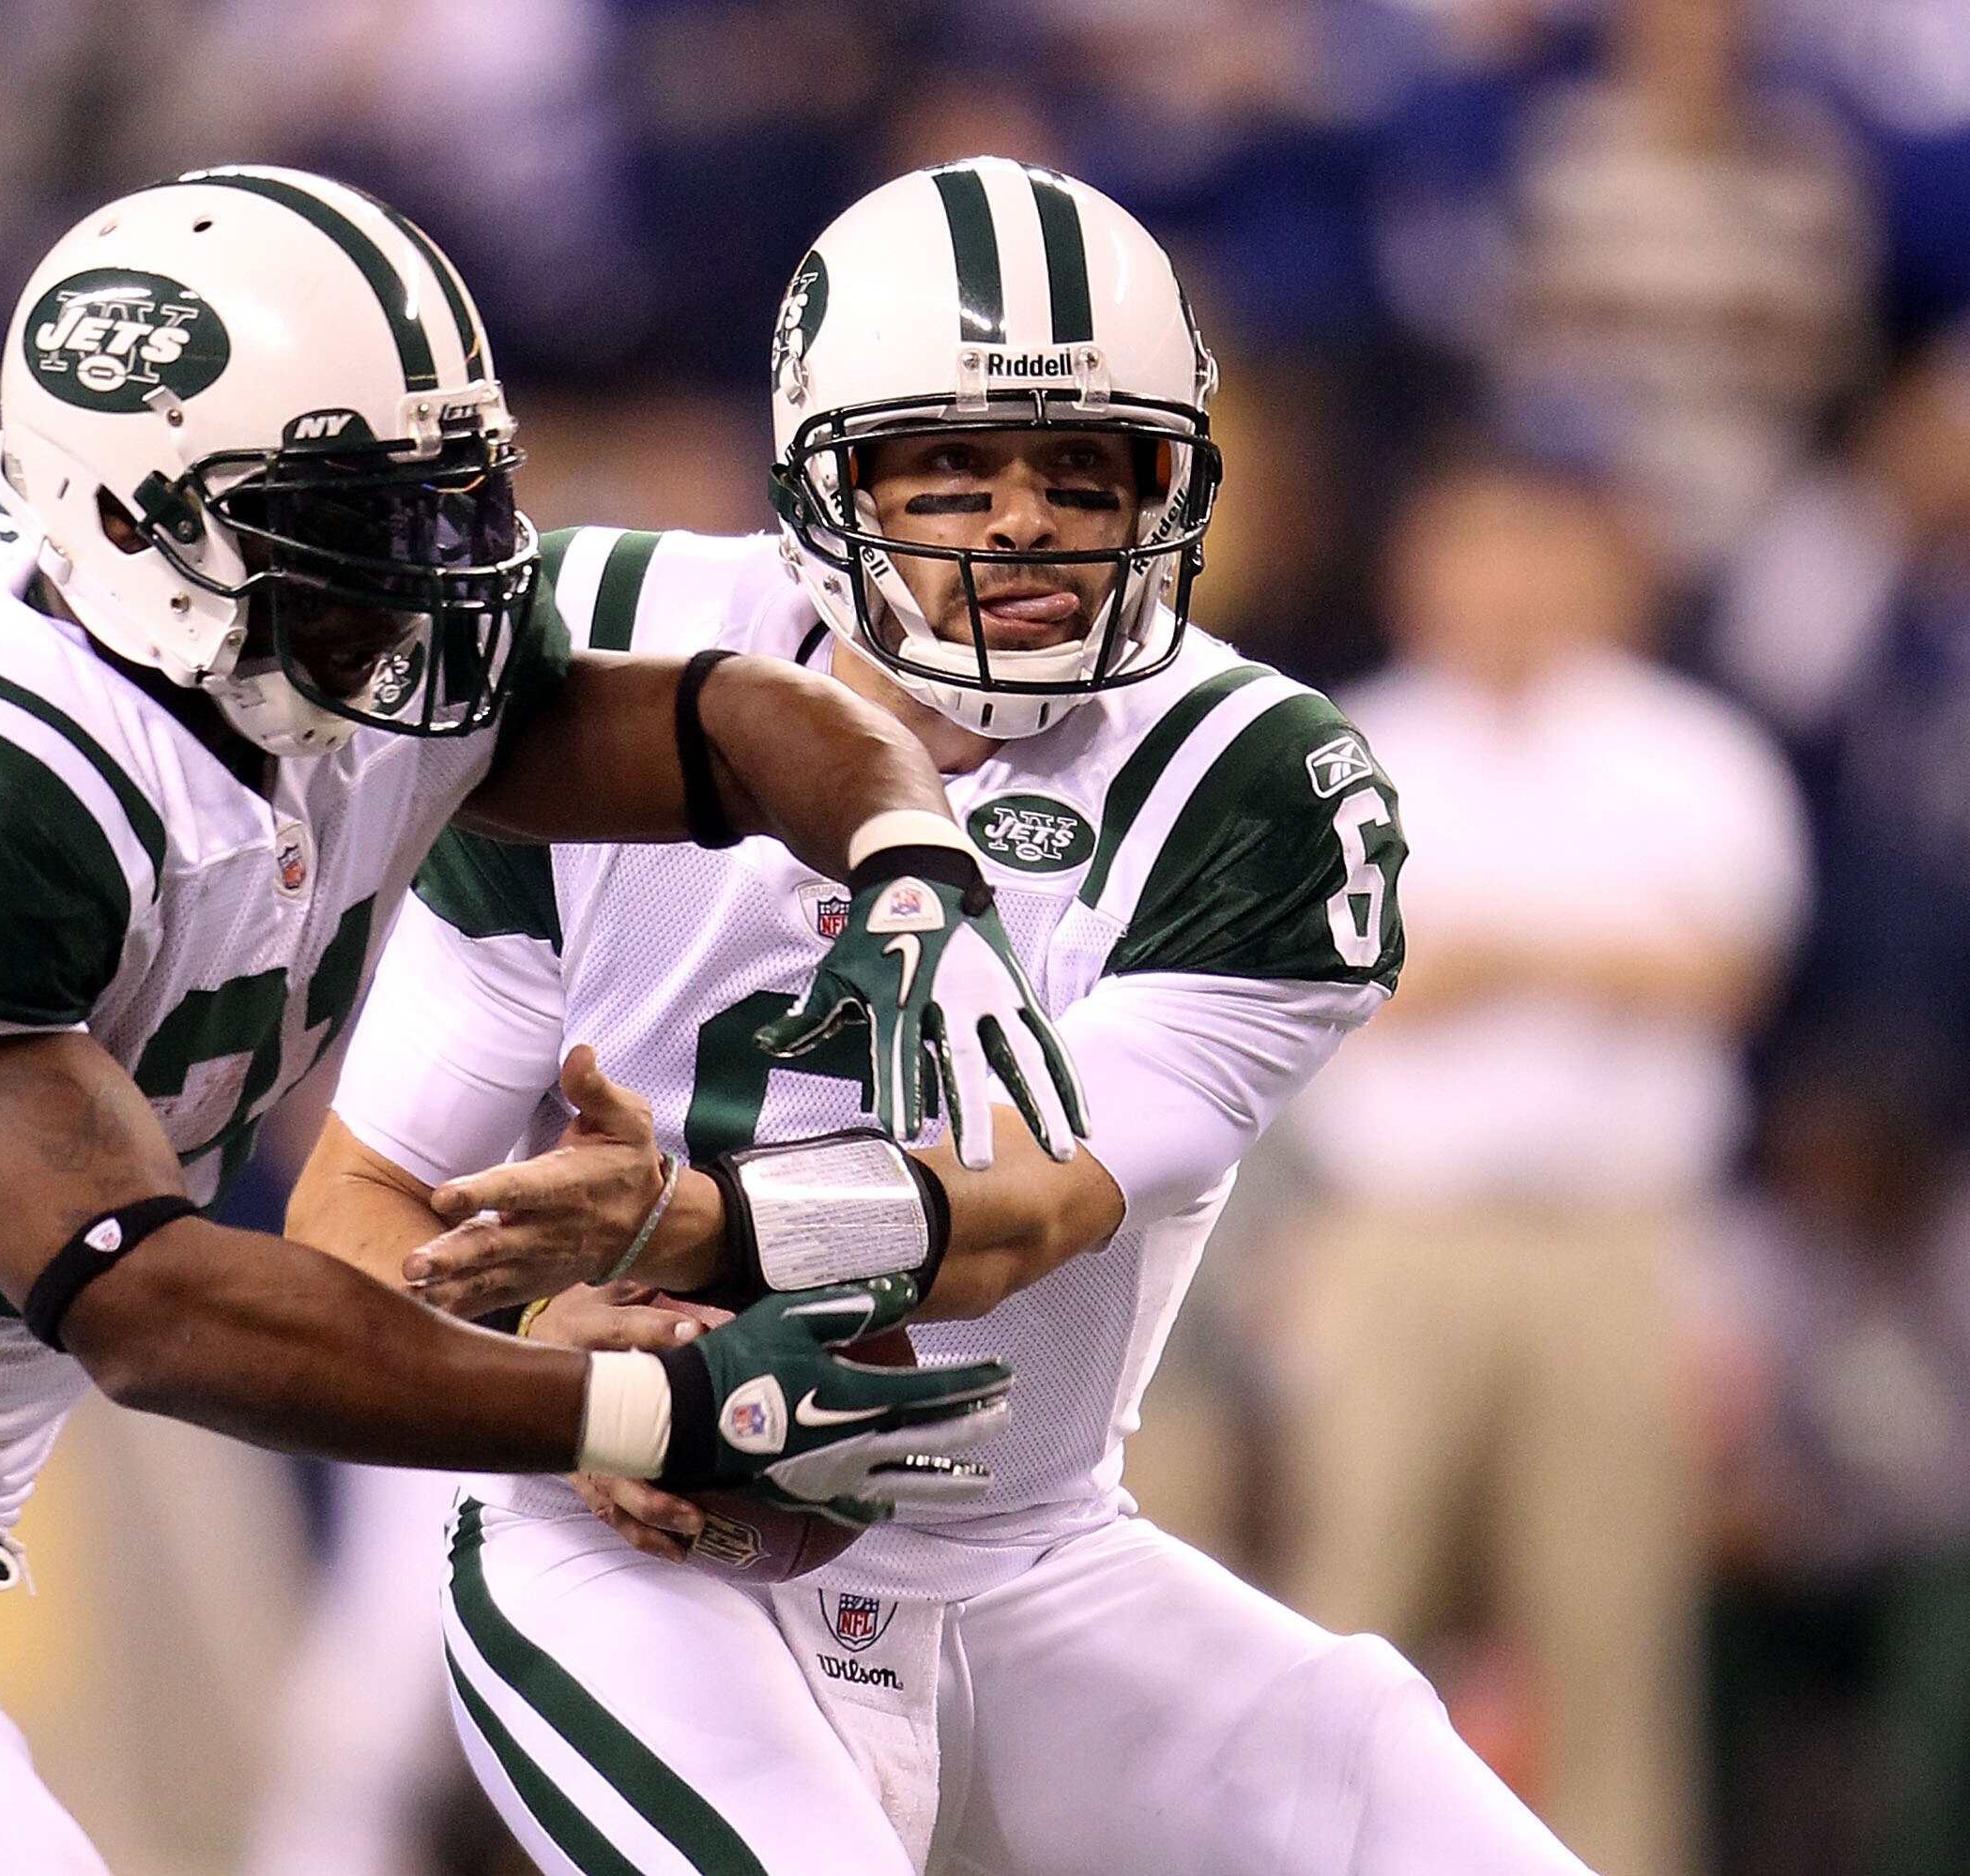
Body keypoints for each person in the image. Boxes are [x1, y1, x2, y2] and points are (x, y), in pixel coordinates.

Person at [0, 165, 1061, 1875]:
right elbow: (151, 1308)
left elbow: (726, 726)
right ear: (132, 520)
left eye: (446, 499)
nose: (433, 572)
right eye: (354, 517)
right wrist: (634, 1408)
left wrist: (906, 857)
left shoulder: (327, 649)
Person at [292, 159, 1594, 1875]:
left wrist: (681, 1222)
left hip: (1028, 1561)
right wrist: (554, 1374)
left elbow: (1023, 1220)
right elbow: (357, 1210)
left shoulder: (1253, 781)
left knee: (1405, 1804)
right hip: (623, 1546)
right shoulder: (605, 654)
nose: (1023, 523)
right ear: (822, 481)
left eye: (1082, 470)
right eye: (951, 470)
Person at [1274, 454, 1809, 1876]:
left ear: (1606, 569)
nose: (1505, 582)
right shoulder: (1339, 745)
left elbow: (1727, 969)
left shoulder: (1692, 751)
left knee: (1614, 1621)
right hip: (1396, 1235)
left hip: (1614, 1240)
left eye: (1537, 549)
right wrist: (1579, 954)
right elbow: (1314, 991)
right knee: (1352, 1604)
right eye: (1473, 549)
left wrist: (1500, 952)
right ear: (1416, 569)